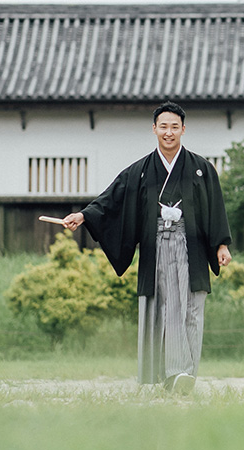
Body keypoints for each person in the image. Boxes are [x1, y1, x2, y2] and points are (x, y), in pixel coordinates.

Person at [62, 102, 232, 394]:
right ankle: (173, 375)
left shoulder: (201, 169)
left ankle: (182, 374)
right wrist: (84, 215)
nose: (168, 132)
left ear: (183, 130)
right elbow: (110, 198)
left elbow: (215, 208)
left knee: (190, 309)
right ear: (154, 129)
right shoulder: (139, 171)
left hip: (191, 248)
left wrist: (220, 244)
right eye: (163, 126)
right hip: (156, 248)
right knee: (161, 309)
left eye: (174, 127)